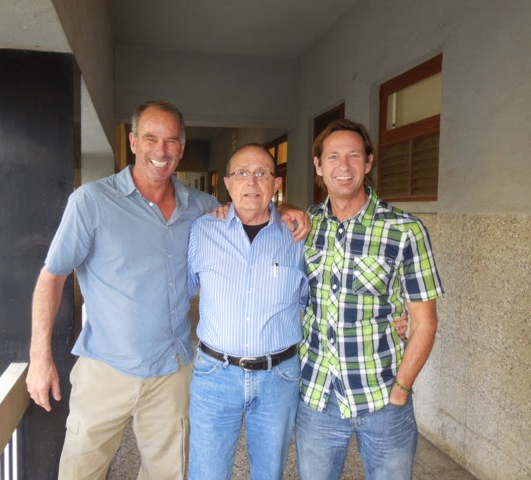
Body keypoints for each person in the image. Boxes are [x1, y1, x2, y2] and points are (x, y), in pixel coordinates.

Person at [25, 100, 310, 480]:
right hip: (106, 368)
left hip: (171, 374)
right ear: (133, 142)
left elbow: (250, 204)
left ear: (181, 148)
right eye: (150, 138)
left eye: (171, 140)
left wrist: (287, 209)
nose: (161, 150)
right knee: (80, 471)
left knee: (167, 474)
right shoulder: (91, 201)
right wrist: (40, 357)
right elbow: (52, 276)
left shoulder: (202, 208)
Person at [295, 119, 444, 480]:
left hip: (383, 398)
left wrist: (401, 389)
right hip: (317, 397)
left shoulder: (404, 230)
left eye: (354, 156)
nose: (343, 166)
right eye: (333, 157)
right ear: (318, 166)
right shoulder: (305, 225)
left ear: (368, 162)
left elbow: (424, 322)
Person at [187, 144, 307, 480]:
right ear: (227, 184)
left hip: (278, 378)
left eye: (261, 173)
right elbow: (179, 292)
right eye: (241, 173)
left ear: (276, 183)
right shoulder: (202, 231)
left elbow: (318, 300)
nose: (251, 181)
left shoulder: (298, 236)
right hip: (215, 375)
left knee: (269, 473)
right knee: (206, 473)